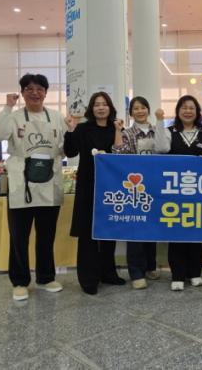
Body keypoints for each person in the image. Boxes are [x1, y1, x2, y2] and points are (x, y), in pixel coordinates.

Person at [0, 73, 66, 301]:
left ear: (46, 93)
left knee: (46, 235)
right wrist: (7, 107)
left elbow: (66, 146)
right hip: (21, 184)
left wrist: (73, 129)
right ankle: (20, 281)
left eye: (40, 89)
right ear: (22, 93)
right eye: (29, 89)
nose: (35, 93)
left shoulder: (56, 117)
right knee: (19, 237)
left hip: (50, 182)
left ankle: (46, 277)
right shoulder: (13, 118)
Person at [64, 92, 125, 295]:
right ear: (92, 108)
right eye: (97, 104)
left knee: (109, 230)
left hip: (111, 186)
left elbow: (120, 154)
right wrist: (70, 130)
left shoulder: (116, 128)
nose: (101, 107)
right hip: (88, 185)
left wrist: (118, 131)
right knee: (87, 233)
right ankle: (88, 279)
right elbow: (70, 152)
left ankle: (108, 273)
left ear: (110, 107)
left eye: (104, 104)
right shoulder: (83, 129)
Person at [112, 96, 168, 289]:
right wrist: (117, 131)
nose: (140, 111)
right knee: (135, 229)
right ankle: (136, 272)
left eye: (143, 107)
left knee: (152, 227)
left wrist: (160, 121)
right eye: (136, 108)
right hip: (135, 187)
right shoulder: (127, 133)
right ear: (131, 113)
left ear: (148, 110)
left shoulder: (157, 129)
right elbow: (118, 154)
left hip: (155, 185)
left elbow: (165, 150)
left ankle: (151, 266)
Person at [158, 95, 202, 291]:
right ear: (178, 111)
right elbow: (161, 149)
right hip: (175, 189)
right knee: (176, 232)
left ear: (197, 112)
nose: (188, 111)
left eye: (191, 108)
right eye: (184, 108)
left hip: (198, 189)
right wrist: (159, 121)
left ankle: (195, 273)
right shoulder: (169, 131)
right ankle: (177, 275)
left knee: (196, 231)